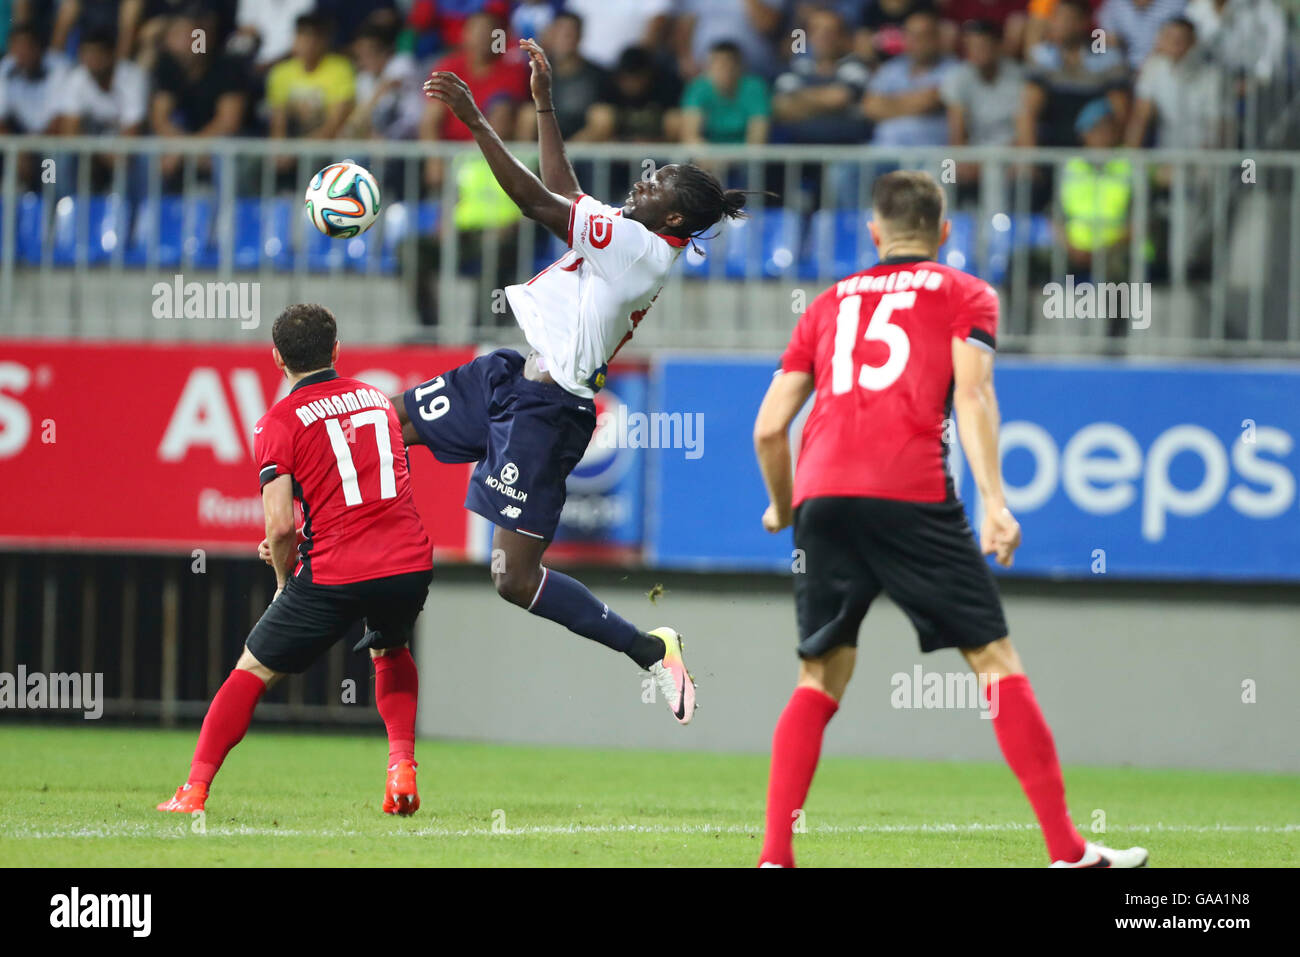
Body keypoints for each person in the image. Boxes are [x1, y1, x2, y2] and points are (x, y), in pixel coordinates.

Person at [752, 170, 1150, 869]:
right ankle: (1067, 849)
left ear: (874, 234)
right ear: (943, 233)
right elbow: (973, 395)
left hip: (823, 499)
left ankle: (775, 859)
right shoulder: (964, 292)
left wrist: (786, 506)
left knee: (816, 677)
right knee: (994, 661)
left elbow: (767, 428)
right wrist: (996, 503)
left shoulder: (826, 304)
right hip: (910, 493)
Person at [401, 38, 753, 725]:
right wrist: (545, 107)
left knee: (512, 578)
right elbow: (566, 193)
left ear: (675, 218)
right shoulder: (632, 230)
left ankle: (650, 649)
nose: (642, 182)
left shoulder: (640, 250)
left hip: (547, 409)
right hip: (509, 375)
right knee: (387, 423)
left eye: (657, 185)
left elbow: (537, 202)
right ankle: (335, 562)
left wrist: (478, 125)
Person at [158, 305, 435, 816]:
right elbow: (364, 494)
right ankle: (401, 771)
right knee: (391, 650)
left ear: (276, 359)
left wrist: (285, 579)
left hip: (338, 572)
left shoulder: (276, 423)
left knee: (251, 669)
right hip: (408, 562)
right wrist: (312, 533)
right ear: (336, 350)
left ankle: (192, 791)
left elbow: (279, 525)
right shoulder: (377, 399)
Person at [679, 40, 771, 145]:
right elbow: (690, 136)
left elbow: (757, 139)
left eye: (728, 64)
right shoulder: (698, 88)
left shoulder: (754, 89)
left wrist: (736, 159)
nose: (724, 70)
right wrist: (713, 160)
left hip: (745, 157)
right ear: (708, 67)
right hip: (708, 158)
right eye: (718, 64)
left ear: (739, 67)